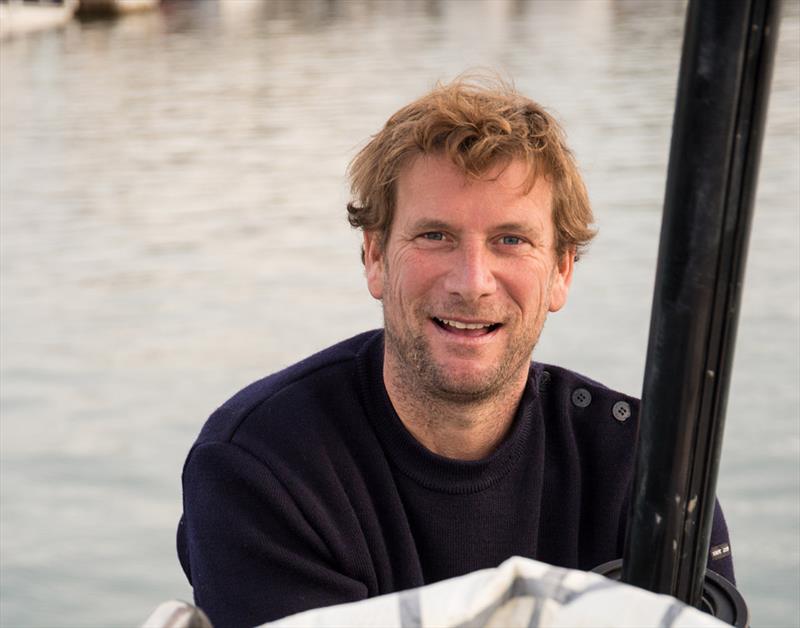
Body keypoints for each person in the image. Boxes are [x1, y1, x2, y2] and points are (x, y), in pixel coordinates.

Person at [177, 78, 735, 628]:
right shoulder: (264, 467)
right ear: (375, 256)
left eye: (510, 240)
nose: (472, 282)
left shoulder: (646, 471)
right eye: (435, 236)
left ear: (561, 272)